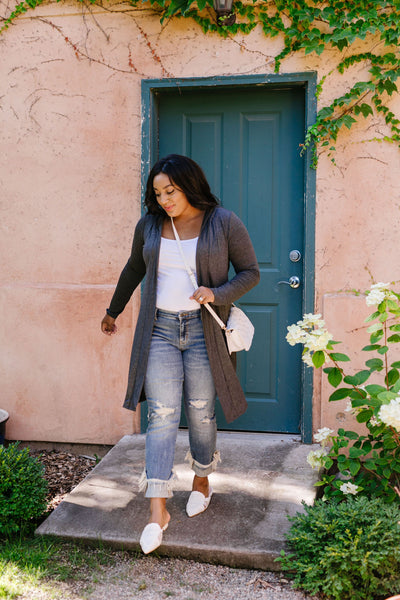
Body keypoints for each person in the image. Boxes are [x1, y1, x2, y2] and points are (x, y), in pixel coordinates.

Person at [101, 154, 260, 554]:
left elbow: (250, 272)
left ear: (190, 184)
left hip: (204, 329)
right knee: (162, 414)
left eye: (170, 190)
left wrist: (217, 293)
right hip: (160, 330)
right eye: (158, 193)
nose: (165, 199)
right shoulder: (151, 224)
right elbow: (133, 269)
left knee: (202, 410)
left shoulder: (223, 221)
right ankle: (158, 510)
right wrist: (113, 310)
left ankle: (202, 479)